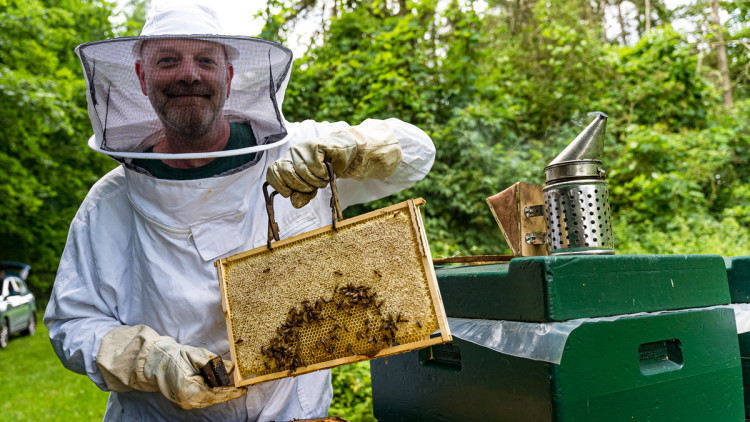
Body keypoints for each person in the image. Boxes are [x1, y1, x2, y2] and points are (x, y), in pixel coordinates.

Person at [43, 2, 435, 421]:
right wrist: (148, 360)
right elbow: (72, 322)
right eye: (168, 60)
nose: (188, 74)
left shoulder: (299, 149)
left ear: (228, 75)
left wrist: (355, 149)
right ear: (142, 77)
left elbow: (418, 154)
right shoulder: (107, 205)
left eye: (205, 60)